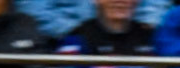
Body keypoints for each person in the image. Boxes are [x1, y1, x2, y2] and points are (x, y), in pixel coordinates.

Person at [17, 0, 171, 41]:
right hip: (62, 39)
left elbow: (154, 7)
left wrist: (145, 22)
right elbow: (34, 11)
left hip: (129, 36)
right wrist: (79, 31)